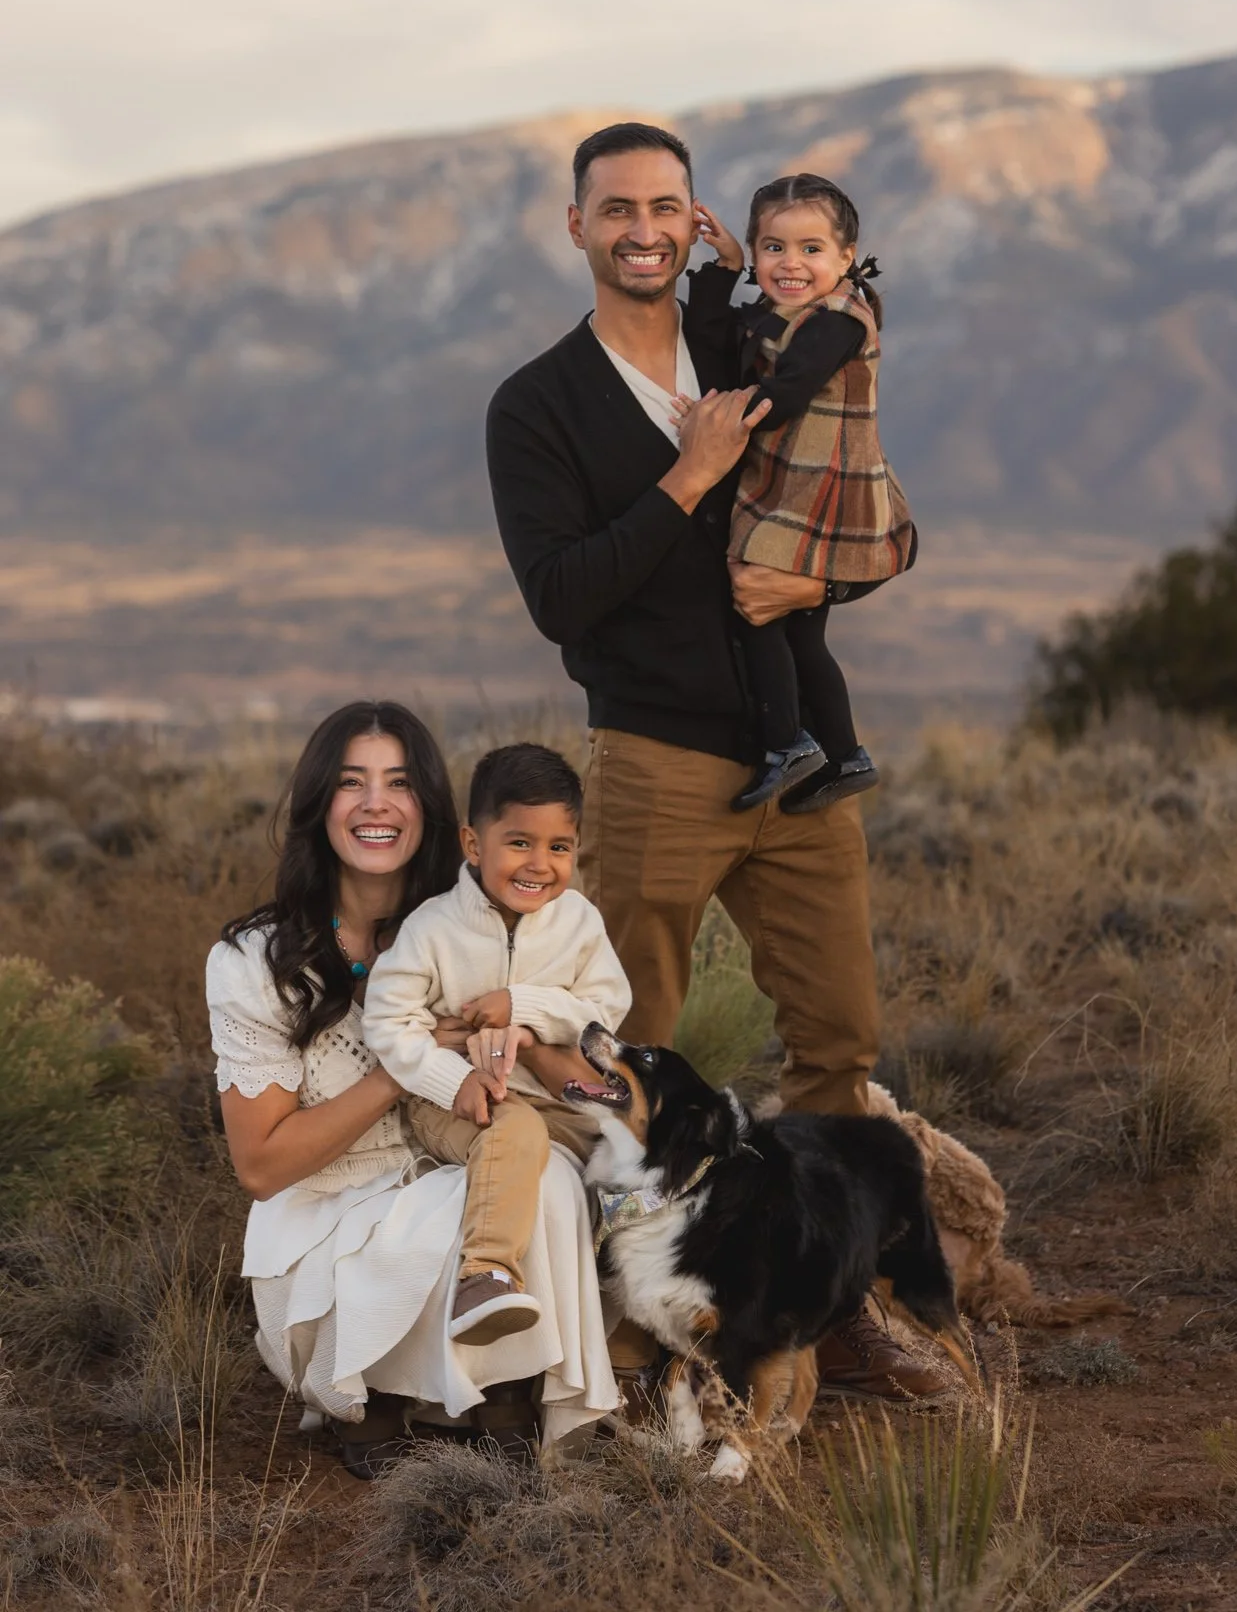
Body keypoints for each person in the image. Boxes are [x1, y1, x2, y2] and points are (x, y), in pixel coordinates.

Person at [486, 122, 943, 1401]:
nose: (642, 225)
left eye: (666, 206)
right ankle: (620, 1326)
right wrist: (689, 477)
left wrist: (825, 569)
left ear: (697, 225)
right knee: (622, 1046)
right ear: (576, 224)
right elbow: (563, 597)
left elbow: (890, 523)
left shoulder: (762, 340)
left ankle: (833, 1302)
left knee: (838, 1043)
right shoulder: (539, 405)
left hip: (798, 771)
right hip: (658, 762)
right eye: (615, 205)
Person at [206, 701, 616, 1476]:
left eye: (398, 782)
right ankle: (372, 1399)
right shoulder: (253, 960)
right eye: (350, 782)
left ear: (431, 809)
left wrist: (528, 1031)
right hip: (330, 1205)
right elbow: (261, 1168)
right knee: (425, 1222)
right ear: (317, 803)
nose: (374, 803)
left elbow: (585, 1066)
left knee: (545, 1172)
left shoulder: (480, 926)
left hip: (458, 1162)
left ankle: (504, 1384)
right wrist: (413, 1061)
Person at [362, 742, 630, 1347]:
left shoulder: (580, 922)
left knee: (634, 1143)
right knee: (516, 1133)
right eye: (519, 843)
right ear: (474, 844)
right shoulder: (432, 928)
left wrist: (524, 1007)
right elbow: (386, 1022)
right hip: (456, 1106)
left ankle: (621, 1273)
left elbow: (604, 1013)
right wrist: (450, 1081)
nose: (540, 864)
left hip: (557, 1097)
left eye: (559, 847)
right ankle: (485, 1275)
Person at [681, 173, 915, 813]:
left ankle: (787, 743)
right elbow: (709, 339)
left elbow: (788, 392)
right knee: (803, 636)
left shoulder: (838, 321)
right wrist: (723, 268)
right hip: (793, 486)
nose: (792, 264)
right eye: (773, 248)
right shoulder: (773, 316)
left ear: (846, 258)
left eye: (812, 249)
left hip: (820, 492)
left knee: (756, 608)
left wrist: (721, 417)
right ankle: (844, 755)